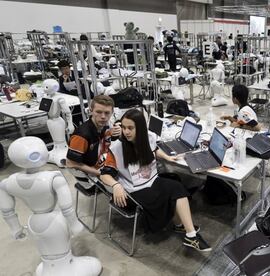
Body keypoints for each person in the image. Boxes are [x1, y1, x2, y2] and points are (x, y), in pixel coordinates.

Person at [100, 109, 211, 252]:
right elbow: (104, 175)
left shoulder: (149, 137)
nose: (126, 132)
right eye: (124, 127)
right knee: (169, 194)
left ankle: (190, 235)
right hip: (134, 191)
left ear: (140, 128)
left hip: (151, 181)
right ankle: (185, 229)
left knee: (177, 187)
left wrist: (167, 157)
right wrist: (115, 185)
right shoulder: (117, 148)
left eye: (130, 128)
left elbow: (155, 149)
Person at [66, 95, 122, 179]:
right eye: (98, 112)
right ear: (91, 111)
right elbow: (70, 163)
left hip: (102, 163)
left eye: (107, 113)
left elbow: (104, 141)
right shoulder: (82, 135)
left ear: (112, 112)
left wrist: (115, 133)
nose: (103, 117)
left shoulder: (104, 126)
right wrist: (100, 174)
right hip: (90, 176)